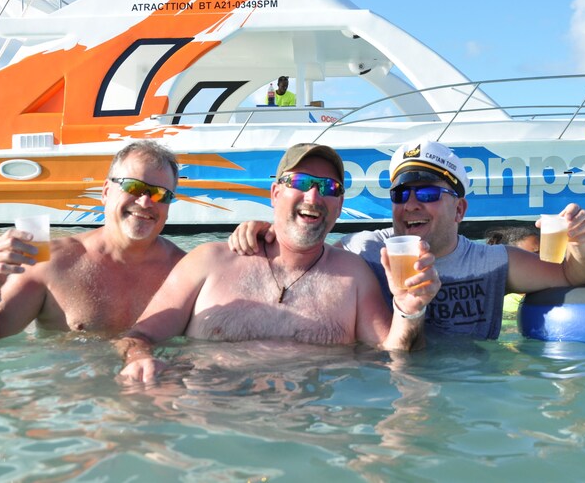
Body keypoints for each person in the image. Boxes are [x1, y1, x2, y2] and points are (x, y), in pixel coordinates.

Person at [117, 143, 440, 382]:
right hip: (206, 434)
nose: (313, 197)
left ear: (339, 205)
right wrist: (139, 359)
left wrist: (409, 309)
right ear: (274, 193)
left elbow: (394, 359)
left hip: (308, 436)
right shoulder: (209, 261)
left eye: (328, 188)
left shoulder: (353, 276)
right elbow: (137, 337)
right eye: (300, 183)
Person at [228, 140, 585, 339]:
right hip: (383, 388)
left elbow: (583, 279)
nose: (410, 205)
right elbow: (303, 252)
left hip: (471, 394)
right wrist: (268, 231)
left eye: (426, 195)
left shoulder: (492, 263)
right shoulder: (365, 250)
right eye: (400, 195)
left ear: (459, 210)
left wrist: (580, 243)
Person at [0, 140, 186, 344]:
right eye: (134, 187)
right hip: (68, 393)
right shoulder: (53, 262)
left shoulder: (185, 271)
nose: (146, 202)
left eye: (160, 194)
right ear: (106, 191)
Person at [485, 225, 585, 282]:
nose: (543, 258)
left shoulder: (562, 270)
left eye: (545, 250)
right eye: (534, 255)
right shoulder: (507, 297)